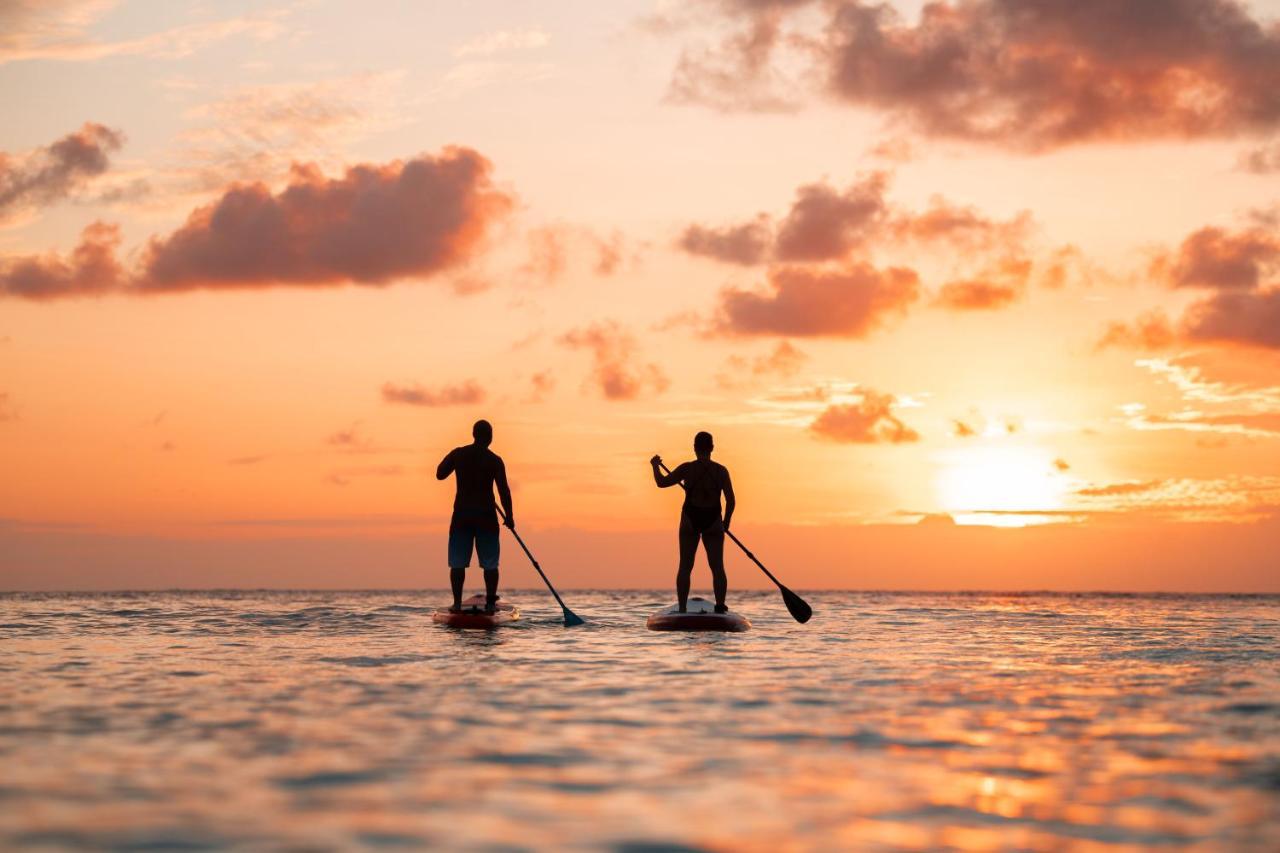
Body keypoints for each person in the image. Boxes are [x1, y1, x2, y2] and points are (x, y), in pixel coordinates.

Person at [650, 431, 736, 613]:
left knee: (685, 566)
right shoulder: (721, 471)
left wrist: (655, 466)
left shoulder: (687, 469)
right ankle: (720, 606)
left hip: (690, 518)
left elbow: (661, 482)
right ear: (712, 448)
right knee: (717, 566)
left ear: (695, 448)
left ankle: (682, 609)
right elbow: (731, 500)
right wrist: (726, 521)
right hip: (714, 521)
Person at [436, 419, 514, 613]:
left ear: (473, 435)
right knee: (490, 564)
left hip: (462, 516)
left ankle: (456, 603)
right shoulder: (494, 460)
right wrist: (510, 517)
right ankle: (489, 604)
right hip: (486, 518)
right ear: (490, 438)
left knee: (457, 563)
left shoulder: (459, 454)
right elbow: (504, 491)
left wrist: (457, 461)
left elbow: (439, 474)